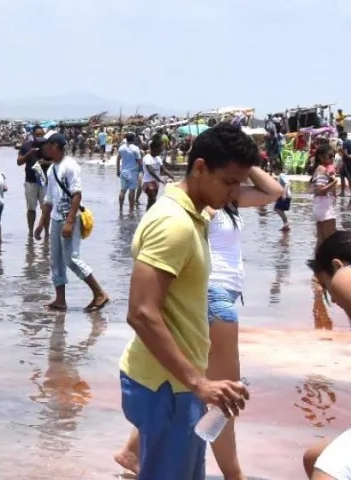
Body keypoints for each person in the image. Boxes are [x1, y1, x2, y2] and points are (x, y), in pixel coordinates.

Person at [115, 123, 255, 479]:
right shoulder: (174, 223)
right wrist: (199, 383)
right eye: (228, 182)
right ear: (200, 167)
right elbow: (141, 312)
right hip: (168, 386)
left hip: (178, 383)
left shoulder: (195, 215)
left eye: (239, 184)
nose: (234, 194)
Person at [35, 131, 109, 311]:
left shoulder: (70, 166)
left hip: (71, 218)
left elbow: (77, 194)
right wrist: (41, 223)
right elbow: (48, 200)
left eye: (46, 144)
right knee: (56, 261)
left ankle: (100, 293)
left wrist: (69, 222)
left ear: (54, 146)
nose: (43, 148)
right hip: (56, 219)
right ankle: (60, 300)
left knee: (71, 259)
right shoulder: (52, 169)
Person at [304, 231, 351, 479]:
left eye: (325, 285)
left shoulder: (344, 276)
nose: (332, 297)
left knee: (327, 470)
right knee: (313, 456)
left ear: (336, 265)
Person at [17, 125, 52, 237]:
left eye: (41, 134)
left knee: (46, 208)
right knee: (31, 208)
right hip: (30, 181)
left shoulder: (49, 145)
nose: (40, 136)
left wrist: (45, 162)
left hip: (44, 181)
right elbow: (19, 162)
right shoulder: (26, 146)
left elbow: (58, 160)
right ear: (33, 135)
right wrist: (29, 154)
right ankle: (30, 233)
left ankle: (47, 233)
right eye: (37, 135)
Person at [312, 144, 337, 248]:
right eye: (329, 156)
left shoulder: (319, 169)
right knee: (331, 241)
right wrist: (334, 182)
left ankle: (317, 258)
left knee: (321, 242)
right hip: (324, 207)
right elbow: (320, 190)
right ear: (321, 157)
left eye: (333, 156)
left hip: (319, 206)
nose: (332, 158)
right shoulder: (322, 169)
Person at [141, 138, 175, 209]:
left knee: (151, 201)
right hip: (148, 182)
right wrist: (160, 180)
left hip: (156, 182)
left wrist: (172, 177)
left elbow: (164, 169)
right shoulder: (147, 158)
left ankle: (148, 214)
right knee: (152, 199)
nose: (161, 150)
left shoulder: (158, 158)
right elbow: (151, 171)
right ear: (154, 149)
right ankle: (150, 214)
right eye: (160, 149)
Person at [117, 132, 143, 212]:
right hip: (133, 172)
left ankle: (120, 209)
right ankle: (131, 210)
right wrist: (141, 170)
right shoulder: (135, 148)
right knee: (132, 191)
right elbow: (139, 161)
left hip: (123, 171)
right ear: (133, 139)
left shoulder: (121, 148)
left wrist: (118, 170)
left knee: (122, 190)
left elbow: (118, 160)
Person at [273, 162, 291, 231]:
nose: (273, 172)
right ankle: (286, 225)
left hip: (285, 196)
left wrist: (284, 194)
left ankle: (287, 221)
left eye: (274, 170)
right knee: (280, 209)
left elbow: (287, 183)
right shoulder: (281, 176)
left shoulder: (282, 175)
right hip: (283, 196)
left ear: (277, 169)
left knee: (277, 208)